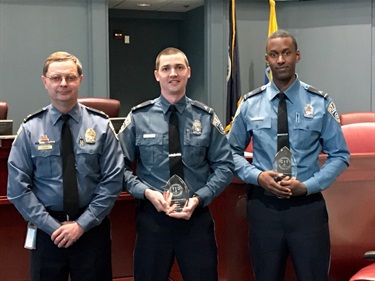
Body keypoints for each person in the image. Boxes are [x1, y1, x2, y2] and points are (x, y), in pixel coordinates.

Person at [227, 30, 350, 281]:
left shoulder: (319, 102)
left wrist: (307, 186)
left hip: (307, 208)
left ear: (297, 56)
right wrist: (258, 177)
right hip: (264, 207)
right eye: (274, 55)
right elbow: (230, 152)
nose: (280, 60)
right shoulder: (250, 103)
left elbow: (339, 155)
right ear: (267, 59)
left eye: (286, 53)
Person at [118, 47, 234, 281]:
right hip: (153, 219)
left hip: (196, 218)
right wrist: (147, 193)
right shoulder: (139, 117)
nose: (173, 73)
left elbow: (225, 166)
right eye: (166, 68)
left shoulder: (206, 117)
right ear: (156, 74)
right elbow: (118, 168)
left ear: (188, 72)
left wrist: (200, 198)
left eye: (179, 67)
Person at [7, 51, 124, 281]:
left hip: (91, 229)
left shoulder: (101, 126)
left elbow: (112, 181)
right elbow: (18, 188)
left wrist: (81, 225)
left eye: (70, 77)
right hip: (46, 232)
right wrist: (52, 227)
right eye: (56, 78)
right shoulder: (31, 129)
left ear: (80, 79)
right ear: (45, 82)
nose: (63, 84)